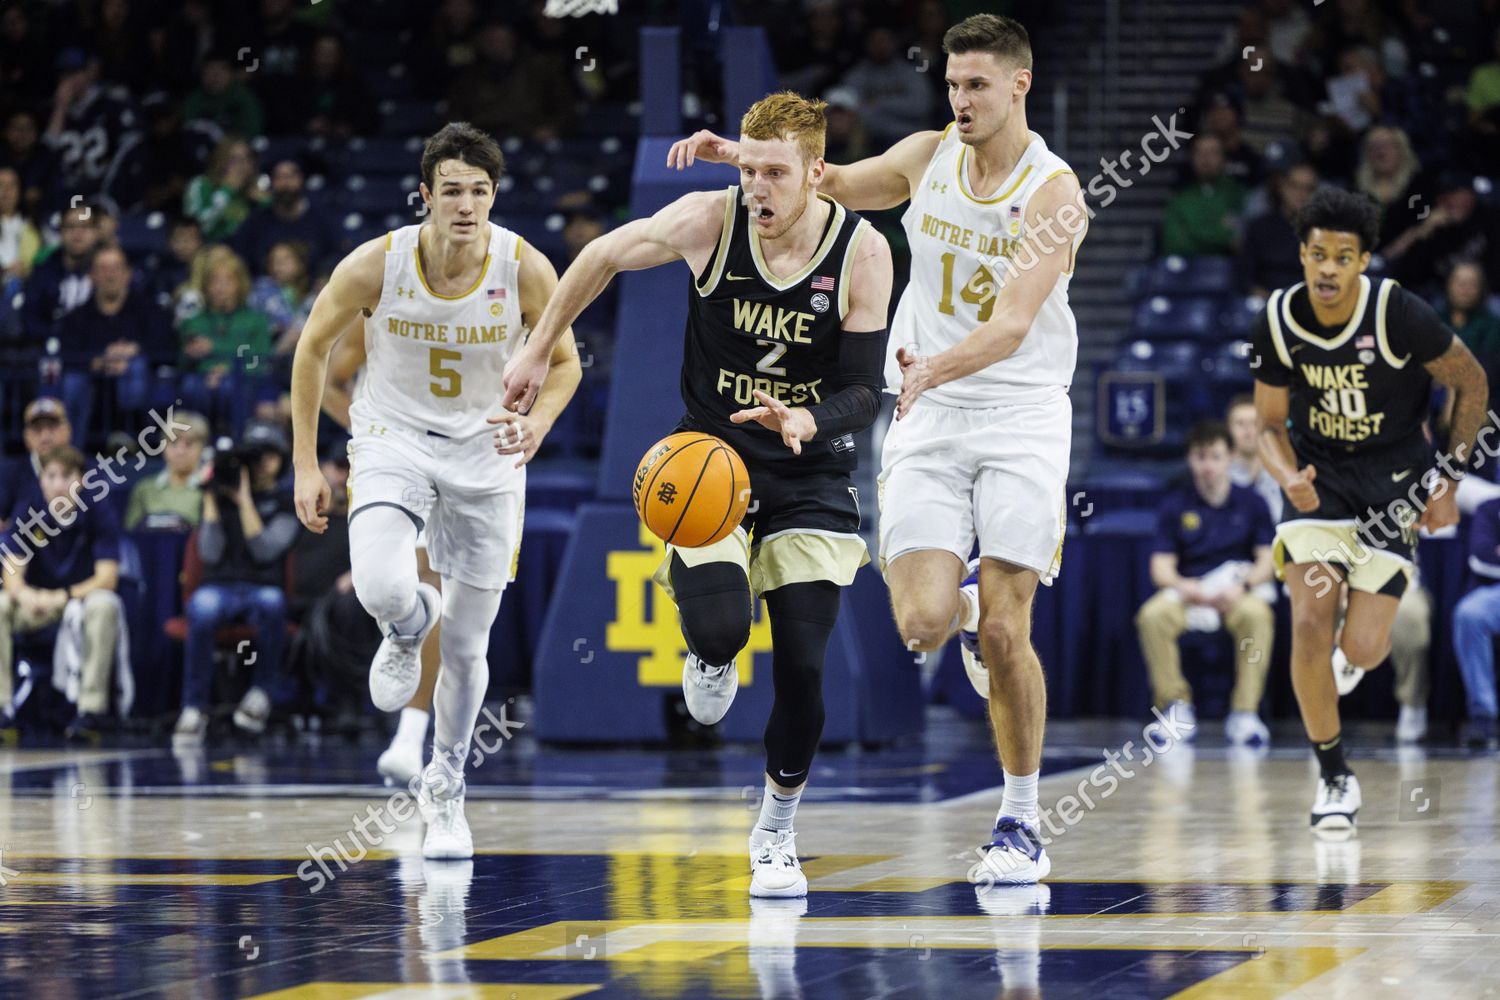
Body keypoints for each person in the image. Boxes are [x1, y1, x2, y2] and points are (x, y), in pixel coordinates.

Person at [663, 13, 1087, 886]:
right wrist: (745, 161)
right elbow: (835, 184)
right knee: (921, 625)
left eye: (977, 84)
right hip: (930, 410)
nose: (960, 99)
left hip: (1019, 412)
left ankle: (1020, 821)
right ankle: (963, 610)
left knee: (1009, 630)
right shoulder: (928, 155)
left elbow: (1012, 325)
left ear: (1020, 85)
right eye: (952, 83)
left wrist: (933, 366)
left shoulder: (1054, 195)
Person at [506, 90, 892, 898]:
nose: (758, 187)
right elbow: (601, 256)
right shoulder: (709, 220)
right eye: (748, 169)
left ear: (817, 173)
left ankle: (776, 830)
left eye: (776, 173)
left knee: (804, 668)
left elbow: (864, 391)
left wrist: (807, 417)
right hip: (714, 463)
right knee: (722, 632)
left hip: (809, 468)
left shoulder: (862, 252)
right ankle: (710, 652)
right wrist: (540, 348)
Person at [290, 122, 582, 859]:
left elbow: (567, 365)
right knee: (382, 587)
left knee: (469, 643)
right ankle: (403, 626)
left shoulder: (526, 268)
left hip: (487, 452)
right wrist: (304, 463)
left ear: (494, 196)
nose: (466, 205)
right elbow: (312, 347)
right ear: (425, 195)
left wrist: (539, 422)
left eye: (479, 191)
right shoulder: (377, 263)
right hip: (394, 437)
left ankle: (446, 786)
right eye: (452, 191)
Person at [1250, 186, 1487, 836]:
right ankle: (1334, 776)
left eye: (1343, 257)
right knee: (1308, 621)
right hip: (1319, 480)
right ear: (1302, 255)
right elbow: (1267, 425)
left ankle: (1352, 656)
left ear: (1363, 261)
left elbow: (1471, 381)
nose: (1328, 269)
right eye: (1318, 255)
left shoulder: (1396, 312)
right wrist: (1286, 476)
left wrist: (1448, 479)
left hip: (1394, 483)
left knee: (1364, 645)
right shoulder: (1277, 319)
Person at [1136, 421, 1275, 746]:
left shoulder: (1253, 503)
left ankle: (1245, 712)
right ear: (1190, 459)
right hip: (1190, 593)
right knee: (1152, 616)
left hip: (1235, 593)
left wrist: (1243, 587)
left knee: (1258, 616)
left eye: (1215, 456)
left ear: (1230, 458)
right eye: (1201, 457)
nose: (1208, 465)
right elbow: (1160, 567)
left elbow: (1268, 561)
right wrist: (1184, 586)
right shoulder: (1174, 504)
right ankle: (1176, 707)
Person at [173, 421, 298, 747]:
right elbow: (210, 553)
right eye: (255, 456)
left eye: (270, 456)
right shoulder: (220, 496)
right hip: (220, 586)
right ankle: (194, 707)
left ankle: (261, 692)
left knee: (272, 603)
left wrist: (244, 502)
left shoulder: (286, 502)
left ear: (282, 460)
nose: (262, 463)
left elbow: (263, 549)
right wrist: (210, 497)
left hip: (262, 585)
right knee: (202, 607)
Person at [0, 446, 125, 742]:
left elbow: (107, 578)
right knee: (1, 603)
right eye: (51, 476)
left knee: (105, 605)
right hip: (38, 602)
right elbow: (11, 571)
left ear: (81, 480)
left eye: (66, 476)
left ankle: (90, 710)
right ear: (41, 480)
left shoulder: (97, 507)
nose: (57, 484)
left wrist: (65, 596)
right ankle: (3, 708)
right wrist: (25, 594)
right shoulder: (29, 508)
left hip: (81, 600)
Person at [55, 246, 175, 435]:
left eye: (116, 268)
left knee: (136, 368)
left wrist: (135, 351)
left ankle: (131, 437)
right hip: (94, 387)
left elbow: (166, 347)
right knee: (73, 383)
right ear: (91, 275)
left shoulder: (151, 311)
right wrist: (101, 362)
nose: (110, 276)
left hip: (141, 384)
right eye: (103, 269)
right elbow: (67, 357)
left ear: (128, 273)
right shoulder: (76, 317)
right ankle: (73, 447)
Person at [177, 245, 273, 429]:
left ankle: (231, 437)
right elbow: (182, 363)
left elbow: (260, 360)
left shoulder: (256, 320)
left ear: (240, 284)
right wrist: (191, 356)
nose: (221, 287)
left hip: (245, 381)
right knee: (190, 386)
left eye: (228, 280)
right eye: (214, 281)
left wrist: (223, 363)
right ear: (205, 286)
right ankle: (198, 438)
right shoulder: (193, 322)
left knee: (229, 387)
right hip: (202, 379)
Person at [232, 159, 338, 274]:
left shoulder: (323, 219)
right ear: (272, 182)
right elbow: (241, 261)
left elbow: (335, 256)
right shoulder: (255, 222)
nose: (286, 184)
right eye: (280, 177)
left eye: (291, 176)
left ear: (301, 179)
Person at [1452, 495, 1500, 750]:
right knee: (1469, 614)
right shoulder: (1490, 509)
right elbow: (1481, 558)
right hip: (1495, 591)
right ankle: (1484, 715)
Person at [21, 202, 99, 344]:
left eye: (84, 227)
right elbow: (30, 318)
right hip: (51, 346)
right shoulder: (43, 271)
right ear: (61, 232)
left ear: (95, 233)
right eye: (70, 227)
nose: (77, 233)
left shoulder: (109, 269)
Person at [1160, 134, 1247, 257]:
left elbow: (1245, 242)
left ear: (1224, 159)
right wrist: (1224, 237)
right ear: (1191, 159)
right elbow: (1173, 245)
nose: (1206, 159)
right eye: (1200, 153)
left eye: (1213, 153)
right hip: (1190, 266)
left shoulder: (1241, 194)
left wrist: (1193, 232)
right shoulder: (1180, 200)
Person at [1238, 163, 1317, 297]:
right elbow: (1244, 276)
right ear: (1282, 188)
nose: (1301, 194)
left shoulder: (1324, 233)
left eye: (1308, 189)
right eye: (1295, 186)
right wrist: (1270, 298)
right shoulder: (1259, 227)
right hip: (1264, 300)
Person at [124, 410, 209, 530]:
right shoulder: (144, 489)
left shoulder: (208, 492)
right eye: (173, 443)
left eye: (188, 444)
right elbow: (131, 534)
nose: (180, 452)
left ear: (202, 448)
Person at [0, 397, 74, 533]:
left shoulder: (84, 469)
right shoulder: (8, 473)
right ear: (26, 436)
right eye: (37, 429)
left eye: (52, 427)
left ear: (67, 431)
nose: (45, 437)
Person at [182, 137, 266, 243]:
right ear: (221, 161)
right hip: (209, 249)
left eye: (247, 159)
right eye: (234, 159)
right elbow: (199, 228)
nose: (241, 166)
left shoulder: (254, 193)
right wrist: (226, 192)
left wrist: (265, 202)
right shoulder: (202, 185)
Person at [1226, 394, 1284, 522]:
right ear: (1229, 429)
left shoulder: (1283, 467)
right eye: (1240, 424)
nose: (1248, 431)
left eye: (1255, 423)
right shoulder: (1219, 470)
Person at [0, 165, 40, 281]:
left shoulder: (32, 227)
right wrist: (5, 272)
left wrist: (26, 271)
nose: (6, 191)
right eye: (1, 185)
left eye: (11, 185)